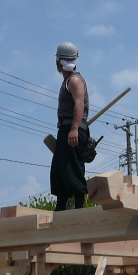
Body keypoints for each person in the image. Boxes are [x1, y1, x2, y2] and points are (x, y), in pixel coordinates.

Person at [50, 41, 90, 211]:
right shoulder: (69, 80)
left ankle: (79, 208)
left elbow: (79, 104)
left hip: (72, 128)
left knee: (72, 167)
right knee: (59, 168)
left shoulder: (74, 80)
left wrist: (74, 129)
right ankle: (61, 207)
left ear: (59, 62)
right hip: (66, 129)